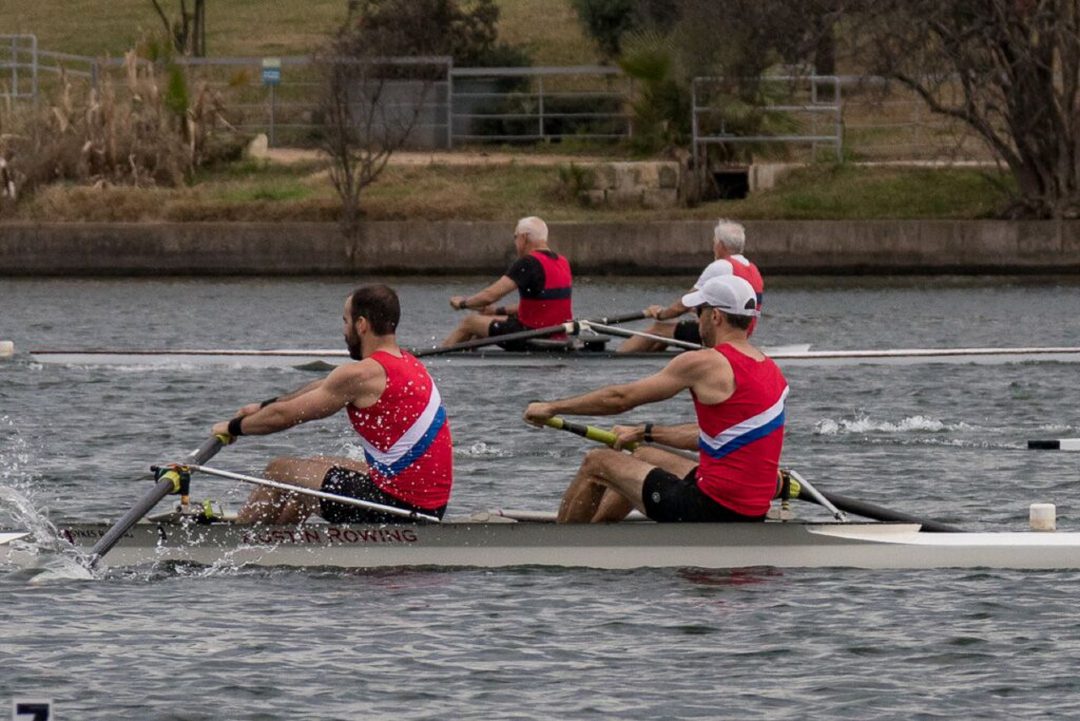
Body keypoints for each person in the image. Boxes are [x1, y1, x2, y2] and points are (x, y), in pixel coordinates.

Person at [524, 274, 787, 524]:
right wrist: (645, 433)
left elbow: (620, 398)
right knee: (643, 454)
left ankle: (565, 547)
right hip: (751, 507)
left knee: (597, 462)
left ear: (716, 316)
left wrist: (551, 407)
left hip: (713, 508)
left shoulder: (706, 363)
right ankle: (600, 530)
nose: (697, 322)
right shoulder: (769, 368)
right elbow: (707, 435)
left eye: (699, 313)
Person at [211, 284, 453, 525]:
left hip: (402, 508)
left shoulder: (362, 374)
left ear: (362, 325)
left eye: (345, 321)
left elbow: (284, 416)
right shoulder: (406, 362)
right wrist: (262, 407)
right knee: (312, 467)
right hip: (426, 504)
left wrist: (233, 427)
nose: (344, 330)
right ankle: (281, 545)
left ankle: (230, 544)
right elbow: (321, 386)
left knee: (279, 470)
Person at [618, 219, 763, 352]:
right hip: (743, 331)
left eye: (714, 242)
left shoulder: (721, 266)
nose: (713, 247)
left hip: (720, 331)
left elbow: (684, 304)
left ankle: (616, 357)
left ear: (720, 245)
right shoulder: (753, 269)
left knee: (659, 328)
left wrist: (660, 314)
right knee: (668, 334)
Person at [441, 216, 573, 350]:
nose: (515, 243)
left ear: (524, 238)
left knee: (470, 322)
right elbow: (540, 305)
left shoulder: (528, 262)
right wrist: (496, 310)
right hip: (555, 332)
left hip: (531, 334)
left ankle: (433, 362)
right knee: (486, 318)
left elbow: (490, 295)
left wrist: (463, 303)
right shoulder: (562, 262)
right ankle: (464, 356)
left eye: (515, 237)